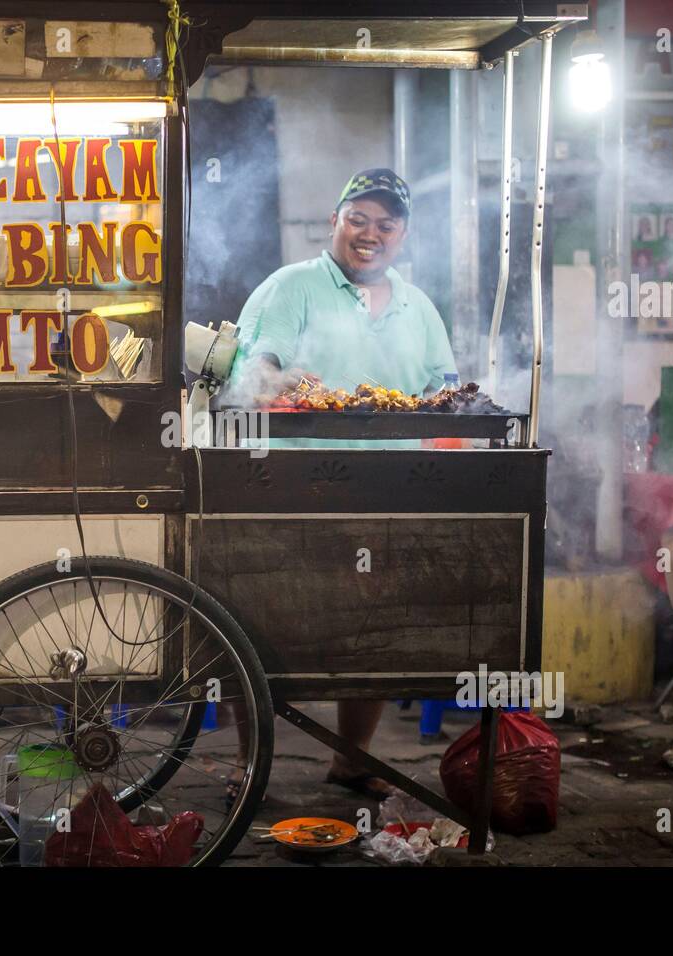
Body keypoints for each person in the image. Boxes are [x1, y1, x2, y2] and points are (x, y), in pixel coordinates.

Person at [224, 168, 457, 801]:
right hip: (295, 483)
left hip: (388, 486)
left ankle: (352, 759)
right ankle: (252, 766)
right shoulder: (293, 286)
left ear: (402, 233)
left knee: (373, 623)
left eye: (386, 223)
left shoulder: (417, 306)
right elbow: (258, 364)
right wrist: (278, 379)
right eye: (359, 218)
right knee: (265, 622)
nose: (370, 234)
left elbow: (444, 385)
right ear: (335, 220)